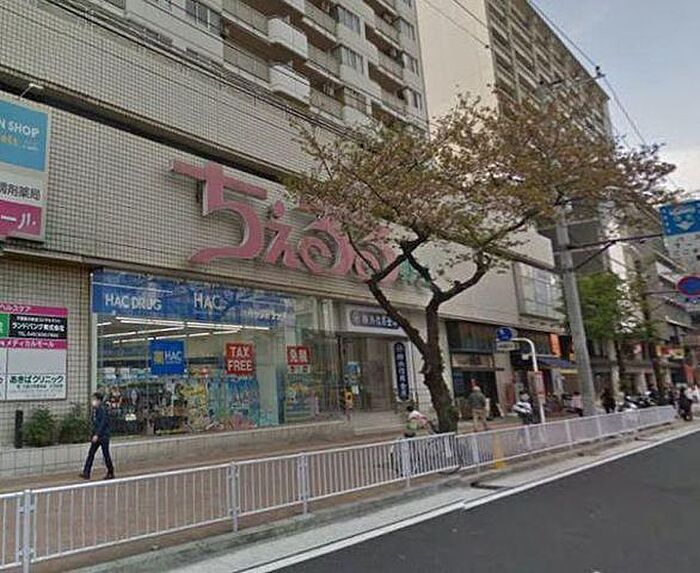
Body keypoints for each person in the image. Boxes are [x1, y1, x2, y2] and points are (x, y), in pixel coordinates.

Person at [79, 392, 115, 480]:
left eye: (94, 399)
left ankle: (110, 472)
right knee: (91, 453)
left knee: (105, 454)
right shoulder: (95, 410)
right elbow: (94, 423)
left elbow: (102, 423)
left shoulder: (102, 409)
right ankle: (86, 472)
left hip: (103, 436)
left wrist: (97, 434)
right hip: (97, 435)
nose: (93, 401)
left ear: (99, 400)